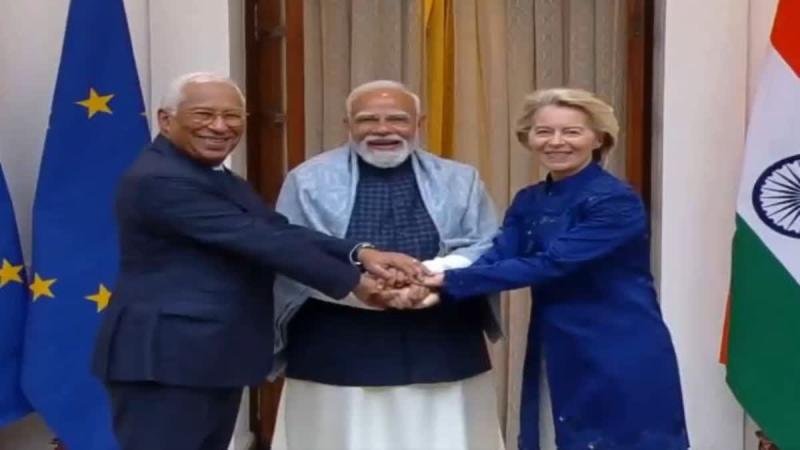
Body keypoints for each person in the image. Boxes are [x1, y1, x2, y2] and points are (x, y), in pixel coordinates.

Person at [91, 72, 421, 450]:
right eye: (204, 114)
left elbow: (277, 229)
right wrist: (355, 283)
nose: (220, 126)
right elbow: (261, 241)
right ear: (166, 120)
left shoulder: (214, 175)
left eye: (232, 116)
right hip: (165, 361)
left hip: (208, 357)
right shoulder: (160, 179)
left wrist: (361, 253)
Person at [425, 88, 689, 450]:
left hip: (617, 345)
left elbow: (553, 263)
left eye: (572, 131)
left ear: (598, 138)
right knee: (555, 437)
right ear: (528, 138)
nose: (556, 142)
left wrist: (447, 281)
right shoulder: (530, 199)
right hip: (556, 342)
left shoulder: (615, 200)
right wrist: (431, 281)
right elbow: (498, 255)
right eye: (544, 131)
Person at [270, 80, 504, 450]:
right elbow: (292, 251)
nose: (382, 129)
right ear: (347, 125)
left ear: (419, 124)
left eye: (397, 119)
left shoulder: (460, 179)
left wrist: (431, 277)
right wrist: (360, 286)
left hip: (440, 336)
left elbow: (487, 244)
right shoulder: (308, 179)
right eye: (367, 120)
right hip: (338, 340)